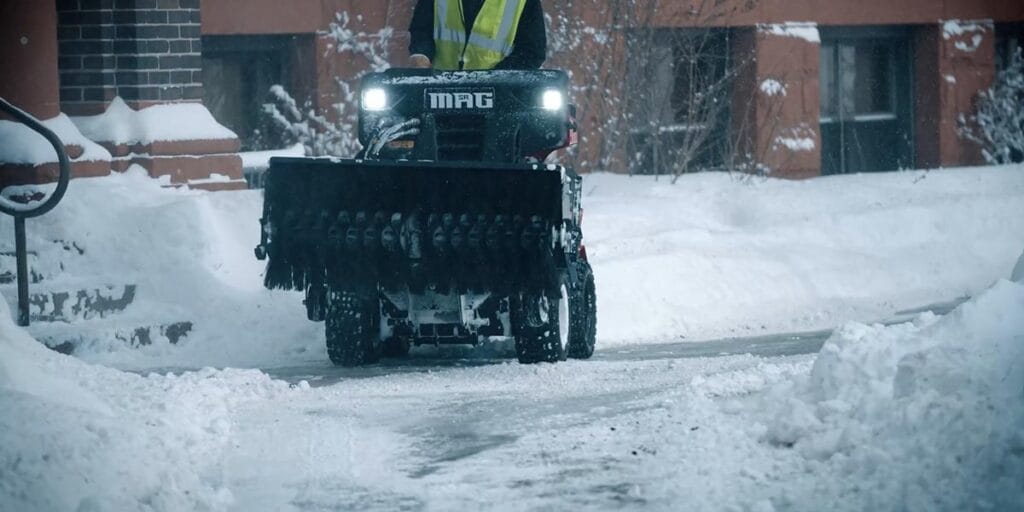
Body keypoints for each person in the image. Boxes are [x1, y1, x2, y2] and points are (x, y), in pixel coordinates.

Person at [408, 0, 547, 71]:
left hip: (499, 100)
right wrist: (421, 54)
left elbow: (533, 52)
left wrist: (499, 77)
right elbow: (421, 29)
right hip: (439, 93)